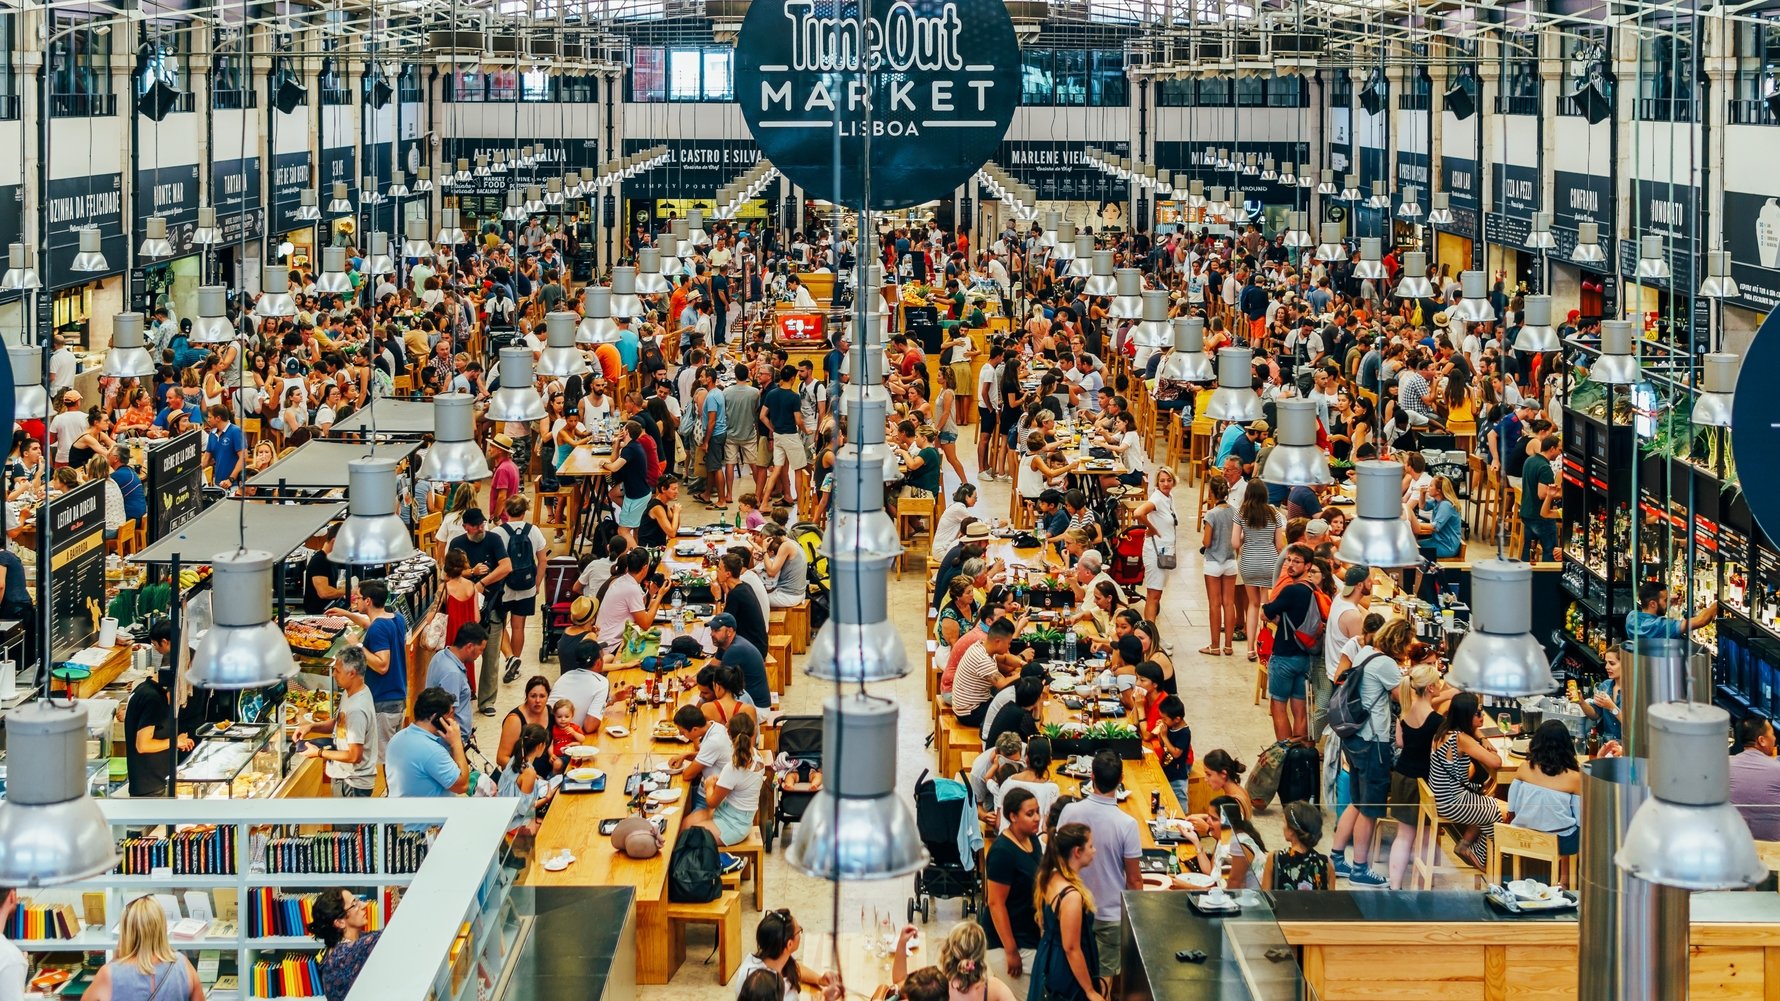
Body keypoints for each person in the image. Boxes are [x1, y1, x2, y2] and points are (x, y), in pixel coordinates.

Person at [1328, 617, 1409, 887]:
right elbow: (1404, 698)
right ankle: (1360, 869)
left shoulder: (1366, 652)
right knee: (1371, 807)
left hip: (1354, 739)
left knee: (1357, 799)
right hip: (1373, 742)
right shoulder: (1386, 664)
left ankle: (1337, 857)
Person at [1055, 752, 1140, 982]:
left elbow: (1057, 858)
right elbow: (1134, 880)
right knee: (1103, 982)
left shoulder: (1070, 812)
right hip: (1110, 914)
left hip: (1073, 907)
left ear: (1091, 776)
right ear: (1121, 779)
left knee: (1072, 977)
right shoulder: (1127, 824)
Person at [446, 508, 512, 717]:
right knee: (461, 652)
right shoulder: (457, 543)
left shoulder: (494, 539)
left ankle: (487, 699)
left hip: (492, 605)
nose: (480, 528)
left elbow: (506, 566)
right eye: (475, 526)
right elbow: (449, 571)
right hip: (464, 606)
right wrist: (471, 573)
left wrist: (482, 583)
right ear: (466, 526)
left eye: (482, 524)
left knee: (491, 653)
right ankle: (465, 694)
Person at [1429, 692, 1506, 870]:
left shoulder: (1444, 730)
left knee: (1491, 799)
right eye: (1477, 713)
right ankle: (1484, 857)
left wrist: (1481, 738)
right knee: (1504, 812)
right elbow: (1496, 762)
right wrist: (1484, 746)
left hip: (1442, 797)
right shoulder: (1461, 739)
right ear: (1466, 716)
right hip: (1452, 802)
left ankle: (1466, 846)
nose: (1482, 716)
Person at [330, 579, 409, 746]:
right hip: (397, 698)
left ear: (368, 601)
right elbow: (370, 623)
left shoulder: (377, 628)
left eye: (357, 597)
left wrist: (357, 646)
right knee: (393, 755)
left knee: (381, 759)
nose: (354, 600)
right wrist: (347, 614)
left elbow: (382, 665)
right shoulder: (396, 618)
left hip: (383, 702)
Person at [1029, 823, 1103, 1001]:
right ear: (1077, 852)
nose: (1094, 850)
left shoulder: (1050, 876)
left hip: (1047, 957)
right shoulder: (1071, 897)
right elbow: (1071, 948)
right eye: (1091, 846)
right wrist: (1090, 991)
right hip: (1066, 970)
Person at [1387, 662, 1445, 888]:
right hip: (1422, 783)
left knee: (1403, 836)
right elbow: (1438, 752)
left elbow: (1400, 742)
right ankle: (1421, 887)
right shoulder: (1436, 721)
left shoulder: (1404, 713)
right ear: (1430, 688)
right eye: (1438, 681)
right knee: (1425, 837)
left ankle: (1394, 885)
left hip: (1401, 776)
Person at [80, 896, 204, 1001]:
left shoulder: (109, 974)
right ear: (162, 928)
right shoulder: (183, 964)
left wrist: (115, 960)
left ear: (127, 931)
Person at [295, 645, 380, 797]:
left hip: (352, 784)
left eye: (338, 671)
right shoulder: (353, 692)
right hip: (345, 778)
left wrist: (320, 753)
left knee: (346, 822)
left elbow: (354, 756)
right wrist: (311, 727)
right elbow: (339, 723)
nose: (333, 674)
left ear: (352, 673)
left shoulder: (357, 710)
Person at [981, 787, 1042, 987]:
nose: (1037, 818)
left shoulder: (1033, 840)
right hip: (1007, 943)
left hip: (1028, 936)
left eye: (1038, 812)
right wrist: (1011, 950)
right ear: (1013, 816)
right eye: (1030, 814)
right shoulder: (1002, 852)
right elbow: (995, 903)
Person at [124, 622, 191, 798]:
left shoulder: (151, 692)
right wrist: (175, 742)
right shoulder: (153, 700)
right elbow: (143, 744)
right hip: (150, 789)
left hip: (161, 781)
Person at [1506, 719, 1584, 857]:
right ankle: (1565, 877)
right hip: (1560, 842)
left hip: (1524, 836)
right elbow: (1580, 817)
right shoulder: (1574, 777)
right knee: (1578, 830)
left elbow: (1511, 807)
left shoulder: (1525, 767)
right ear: (1567, 745)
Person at [687, 714, 764, 846]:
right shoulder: (756, 756)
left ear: (729, 735)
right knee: (683, 825)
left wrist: (709, 785)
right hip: (730, 813)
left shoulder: (733, 768)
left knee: (686, 837)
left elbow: (712, 802)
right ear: (754, 732)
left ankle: (723, 862)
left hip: (733, 825)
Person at [891, 922, 1016, 1001]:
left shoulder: (937, 983)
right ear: (981, 955)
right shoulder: (994, 988)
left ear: (947, 950)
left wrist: (902, 943)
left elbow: (899, 983)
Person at [496, 495, 548, 683]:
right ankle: (515, 662)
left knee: (499, 625)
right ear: (524, 511)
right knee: (519, 626)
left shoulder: (498, 532)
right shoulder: (533, 531)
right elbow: (543, 561)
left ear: (506, 511)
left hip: (504, 587)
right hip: (527, 585)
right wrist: (537, 583)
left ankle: (510, 658)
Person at [733, 909, 838, 1001]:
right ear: (789, 944)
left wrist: (819, 979)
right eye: (799, 931)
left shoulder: (773, 958)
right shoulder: (761, 986)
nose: (800, 933)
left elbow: (793, 967)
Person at [384, 687, 470, 797]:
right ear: (436, 718)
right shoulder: (432, 751)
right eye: (451, 714)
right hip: (430, 813)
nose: (454, 720)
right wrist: (456, 743)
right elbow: (462, 786)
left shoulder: (396, 738)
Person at [309, 889, 382, 1001]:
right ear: (340, 922)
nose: (364, 905)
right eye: (354, 904)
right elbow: (390, 932)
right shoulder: (343, 955)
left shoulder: (355, 941)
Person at [670, 703, 733, 815]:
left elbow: (688, 775)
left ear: (694, 729)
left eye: (683, 732)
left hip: (713, 797)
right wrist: (685, 756)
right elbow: (707, 755)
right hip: (709, 789)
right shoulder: (716, 726)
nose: (681, 735)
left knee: (678, 816)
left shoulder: (714, 741)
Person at [426, 623, 486, 737]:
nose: (481, 654)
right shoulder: (452, 674)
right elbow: (448, 714)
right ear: (469, 647)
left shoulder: (441, 655)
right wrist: (457, 744)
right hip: (450, 743)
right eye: (481, 650)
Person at [1262, 801, 1334, 891]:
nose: (1283, 827)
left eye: (1284, 822)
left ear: (1292, 830)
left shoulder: (1275, 859)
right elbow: (1331, 902)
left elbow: (1265, 899)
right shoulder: (1327, 864)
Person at [1729, 716, 1780, 841]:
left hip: (1734, 845)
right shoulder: (1777, 769)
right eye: (1772, 734)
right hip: (1774, 850)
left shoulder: (1722, 767)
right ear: (1762, 740)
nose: (1775, 739)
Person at [708, 611, 771, 709]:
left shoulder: (735, 650)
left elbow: (718, 685)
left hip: (756, 709)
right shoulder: (726, 644)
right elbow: (712, 666)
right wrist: (693, 680)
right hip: (746, 702)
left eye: (716, 630)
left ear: (729, 631)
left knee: (707, 707)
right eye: (711, 630)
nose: (711, 634)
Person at [1625, 580, 1719, 643]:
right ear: (1653, 604)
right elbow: (1701, 620)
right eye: (1665, 600)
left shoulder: (1632, 618)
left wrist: (1667, 604)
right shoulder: (1660, 627)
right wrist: (1719, 603)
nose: (1668, 602)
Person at [1577, 645, 1623, 744]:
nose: (1606, 667)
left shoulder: (1634, 692)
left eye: (1612, 663)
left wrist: (1611, 707)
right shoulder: (1605, 686)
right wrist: (1581, 702)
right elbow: (1595, 714)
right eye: (1606, 663)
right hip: (1607, 744)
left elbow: (1634, 728)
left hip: (1626, 747)